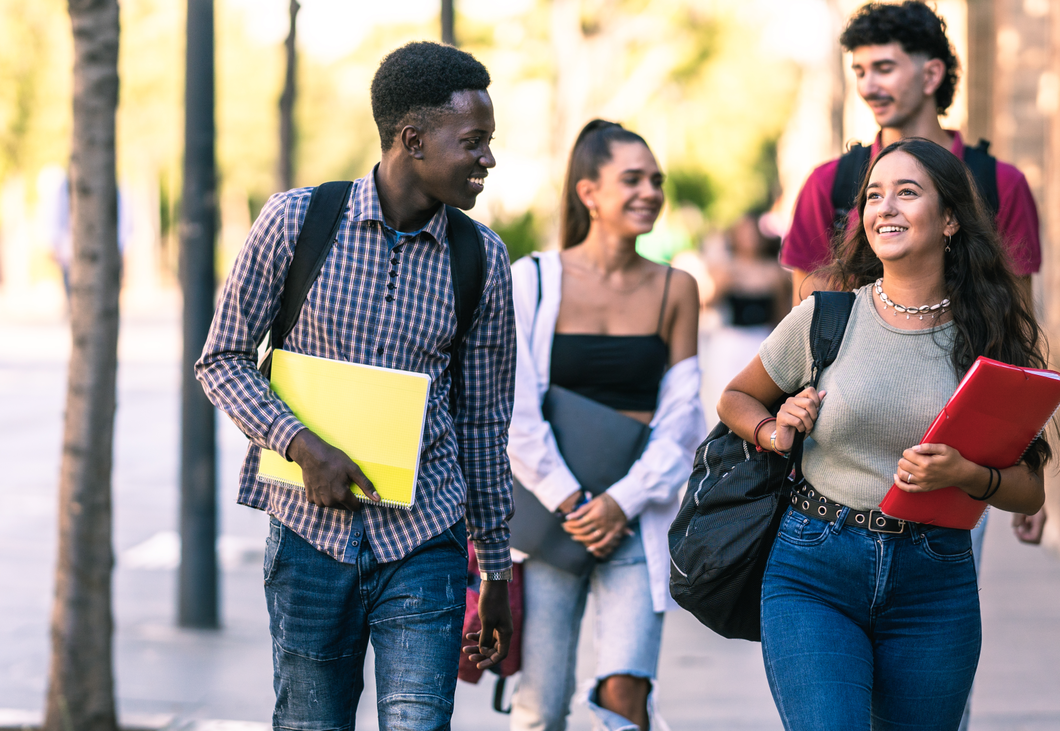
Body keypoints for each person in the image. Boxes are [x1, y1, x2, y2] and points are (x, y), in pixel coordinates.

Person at [195, 42, 514, 730]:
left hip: (424, 540)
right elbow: (221, 358)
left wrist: (494, 571)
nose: (488, 158)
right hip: (310, 540)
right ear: (413, 140)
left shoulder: (481, 258)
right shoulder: (296, 221)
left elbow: (485, 422)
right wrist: (302, 445)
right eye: (474, 142)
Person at [718, 137, 1054, 729]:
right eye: (874, 195)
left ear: (950, 219)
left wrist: (965, 475)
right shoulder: (827, 316)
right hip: (814, 568)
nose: (885, 208)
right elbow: (736, 398)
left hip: (934, 582)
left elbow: (1029, 489)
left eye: (907, 192)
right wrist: (774, 430)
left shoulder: (989, 336)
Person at [507, 120, 706, 731]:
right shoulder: (532, 279)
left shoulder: (677, 288)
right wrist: (572, 500)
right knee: (542, 703)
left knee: (627, 697)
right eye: (632, 179)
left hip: (634, 518)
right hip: (547, 521)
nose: (649, 191)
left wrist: (620, 502)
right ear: (589, 193)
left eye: (656, 181)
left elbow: (683, 415)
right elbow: (512, 410)